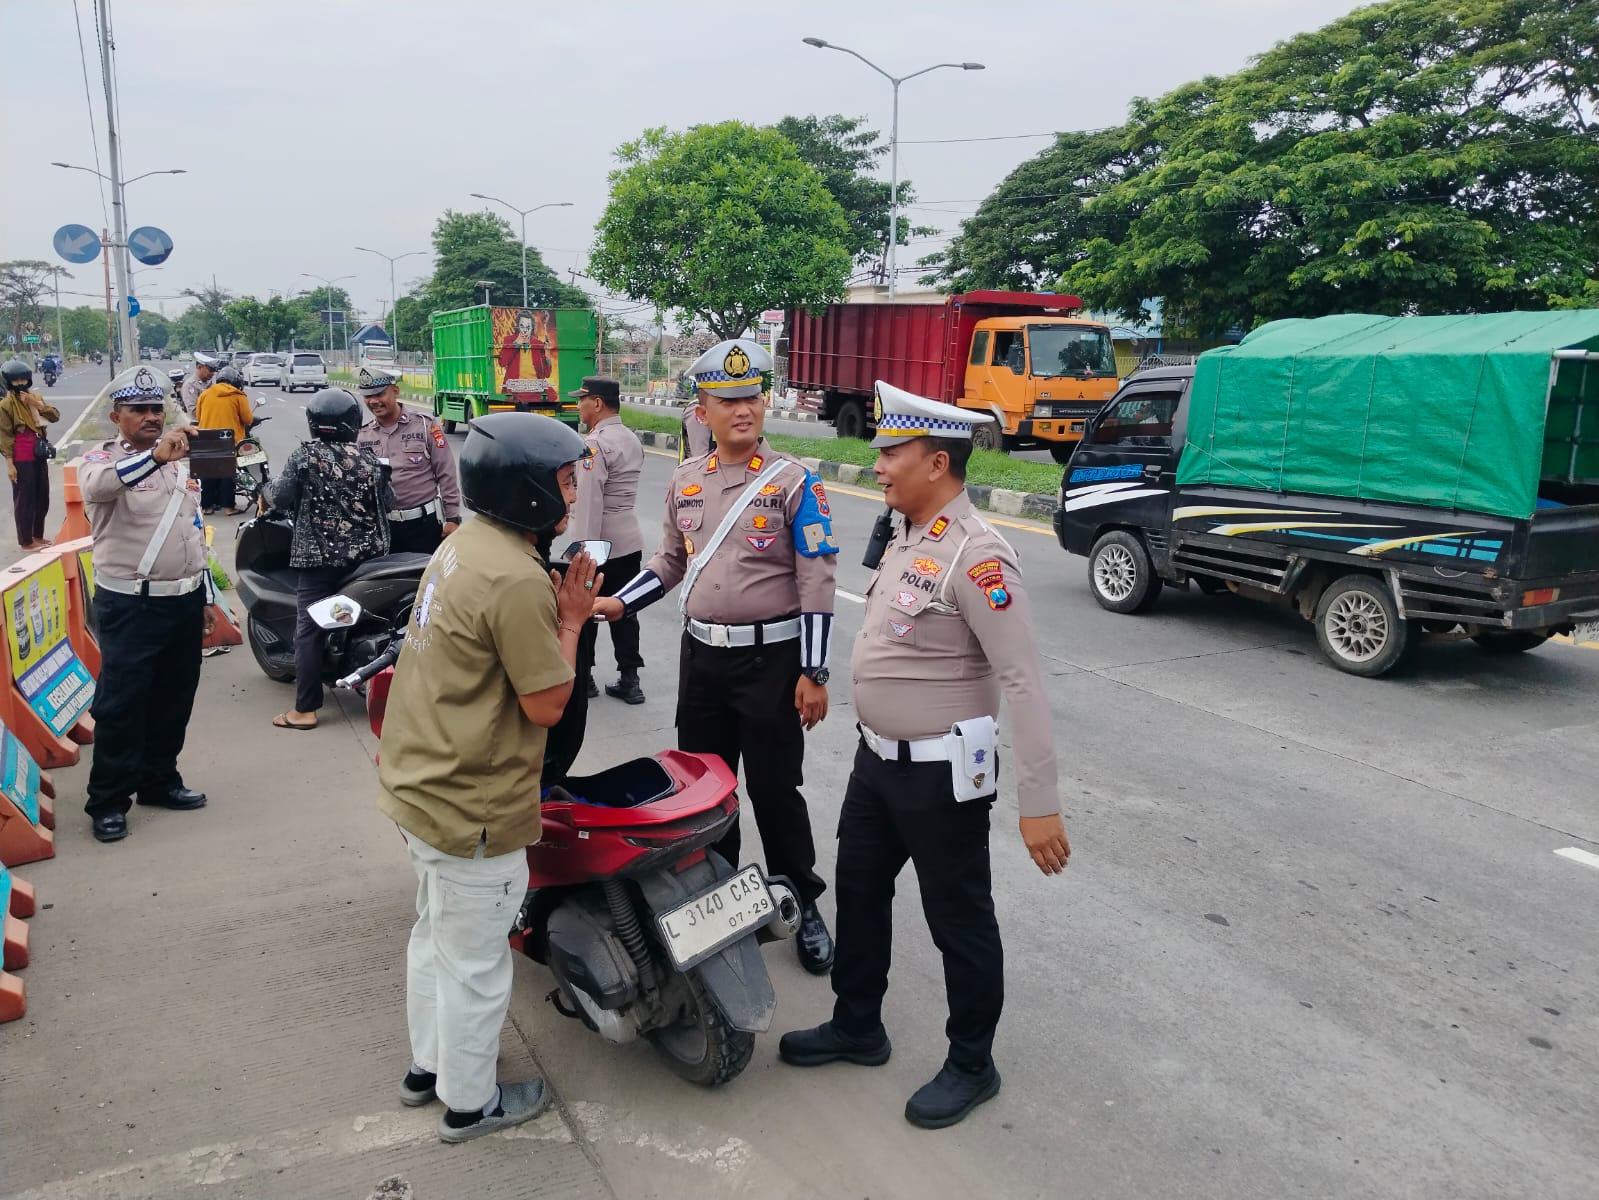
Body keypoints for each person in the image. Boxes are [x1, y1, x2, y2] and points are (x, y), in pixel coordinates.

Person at [778, 381, 1072, 1130]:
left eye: (891, 453)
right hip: (877, 766)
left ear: (936, 462)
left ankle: (972, 1062)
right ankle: (857, 1024)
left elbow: (1023, 682)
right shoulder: (906, 533)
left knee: (958, 919)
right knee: (860, 890)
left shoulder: (979, 558)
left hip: (944, 775)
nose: (876, 466)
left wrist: (1037, 804)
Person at [377, 412, 600, 1143]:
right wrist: (569, 619)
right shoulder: (516, 579)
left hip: (422, 785)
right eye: (565, 480)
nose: (572, 493)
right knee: (475, 966)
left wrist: (557, 610)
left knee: (433, 936)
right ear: (530, 490)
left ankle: (426, 1068)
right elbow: (547, 703)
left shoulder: (465, 545)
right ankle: (469, 1104)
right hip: (474, 800)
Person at [592, 338, 839, 975]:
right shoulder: (685, 482)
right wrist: (621, 605)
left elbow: (817, 578)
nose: (743, 410)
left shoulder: (793, 481)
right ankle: (723, 898)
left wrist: (814, 671)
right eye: (728, 400)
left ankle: (802, 902)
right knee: (706, 787)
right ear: (702, 409)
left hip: (773, 664)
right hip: (702, 660)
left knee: (777, 789)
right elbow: (671, 563)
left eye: (752, 397)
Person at [77, 367, 217, 843]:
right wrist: (156, 457)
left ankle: (159, 780)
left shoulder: (179, 463)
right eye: (139, 410)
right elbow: (101, 487)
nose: (151, 417)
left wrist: (206, 597)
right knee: (121, 705)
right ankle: (109, 800)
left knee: (174, 698)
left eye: (157, 409)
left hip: (182, 599)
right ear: (117, 416)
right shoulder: (99, 459)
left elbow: (192, 529)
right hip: (130, 604)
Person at [267, 388, 393, 731]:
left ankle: (304, 710)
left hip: (319, 560)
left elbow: (279, 496)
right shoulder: (371, 461)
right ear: (353, 423)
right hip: (368, 561)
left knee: (308, 629)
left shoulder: (304, 457)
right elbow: (389, 504)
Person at [568, 375, 645, 704]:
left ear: (596, 403)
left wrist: (585, 551)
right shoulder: (630, 438)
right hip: (628, 541)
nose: (578, 406)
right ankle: (630, 678)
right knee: (625, 610)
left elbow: (587, 501)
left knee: (586, 610)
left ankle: (584, 678)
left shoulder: (594, 445)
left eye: (582, 400)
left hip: (600, 542)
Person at [354, 365, 462, 556]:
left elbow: (446, 474)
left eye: (379, 394)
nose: (374, 401)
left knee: (425, 582)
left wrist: (452, 518)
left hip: (423, 527)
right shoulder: (362, 435)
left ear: (395, 392)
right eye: (368, 396)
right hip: (382, 528)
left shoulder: (425, 426)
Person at [1, 359, 61, 550]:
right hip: (21, 457)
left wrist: (35, 403)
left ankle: (38, 535)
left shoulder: (35, 397)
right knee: (24, 499)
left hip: (39, 453)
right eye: (16, 381)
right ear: (9, 382)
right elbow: (5, 436)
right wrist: (10, 464)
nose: (20, 384)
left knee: (42, 497)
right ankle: (26, 541)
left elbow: (55, 416)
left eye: (23, 379)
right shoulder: (6, 405)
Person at [195, 364, 255, 514]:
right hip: (229, 439)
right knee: (228, 475)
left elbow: (198, 417)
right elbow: (248, 419)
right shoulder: (238, 396)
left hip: (206, 438)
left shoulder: (205, 394)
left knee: (208, 474)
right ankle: (228, 507)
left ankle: (206, 507)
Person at [180, 351, 220, 419]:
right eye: (211, 370)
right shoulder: (191, 385)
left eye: (214, 370)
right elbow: (193, 411)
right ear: (199, 367)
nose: (213, 373)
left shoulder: (209, 383)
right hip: (198, 426)